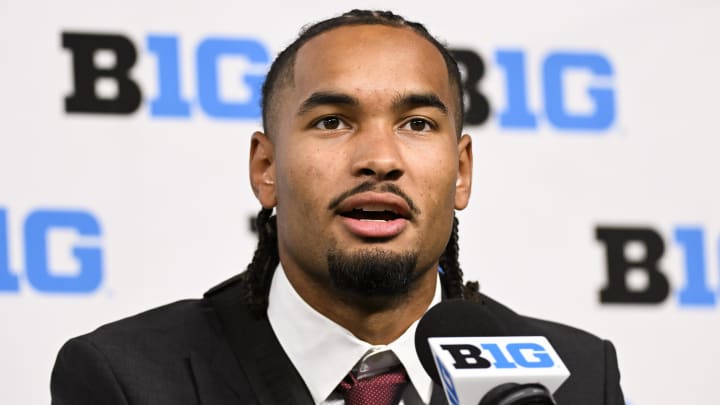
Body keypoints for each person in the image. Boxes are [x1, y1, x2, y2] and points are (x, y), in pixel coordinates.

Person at [50, 9, 624, 405]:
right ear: (265, 168)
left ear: (462, 172)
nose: (379, 158)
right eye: (332, 121)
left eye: (418, 124)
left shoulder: (575, 376)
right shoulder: (127, 377)